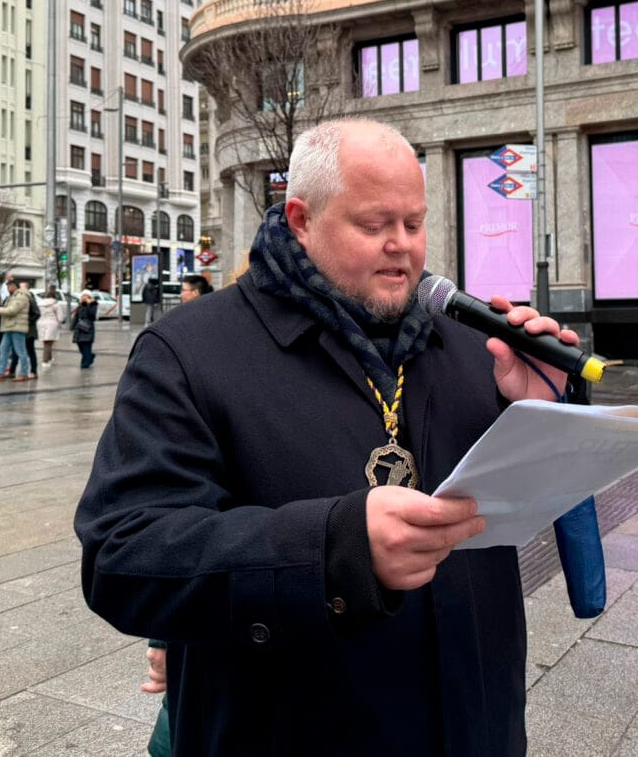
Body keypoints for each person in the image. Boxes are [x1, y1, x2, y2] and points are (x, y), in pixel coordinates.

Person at [75, 118, 576, 755]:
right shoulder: (188, 351)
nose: (403, 246)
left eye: (415, 224)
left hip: (478, 728)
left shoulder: (471, 344)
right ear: (301, 220)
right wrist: (332, 550)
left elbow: (508, 513)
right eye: (374, 225)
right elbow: (123, 557)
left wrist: (537, 416)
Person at [0, 278, 32, 382]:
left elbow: (12, 310)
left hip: (17, 327)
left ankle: (24, 373)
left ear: (14, 286)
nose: (8, 288)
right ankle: (1, 372)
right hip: (9, 327)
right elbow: (7, 309)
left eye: (9, 286)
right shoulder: (12, 297)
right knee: (3, 349)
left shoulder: (21, 297)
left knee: (20, 351)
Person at [37, 287, 65, 369]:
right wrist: (61, 322)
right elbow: (60, 317)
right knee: (49, 343)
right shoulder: (56, 304)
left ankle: (49, 358)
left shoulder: (40, 304)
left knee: (45, 343)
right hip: (52, 324)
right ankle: (45, 361)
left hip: (41, 323)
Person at [72, 291, 99, 368]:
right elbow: (76, 316)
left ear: (89, 297)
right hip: (79, 328)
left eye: (85, 296)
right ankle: (90, 356)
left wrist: (88, 304)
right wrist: (72, 326)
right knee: (80, 345)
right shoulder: (80, 305)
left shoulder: (93, 305)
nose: (83, 297)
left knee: (86, 346)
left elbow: (92, 316)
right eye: (83, 296)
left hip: (88, 329)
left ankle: (85, 364)